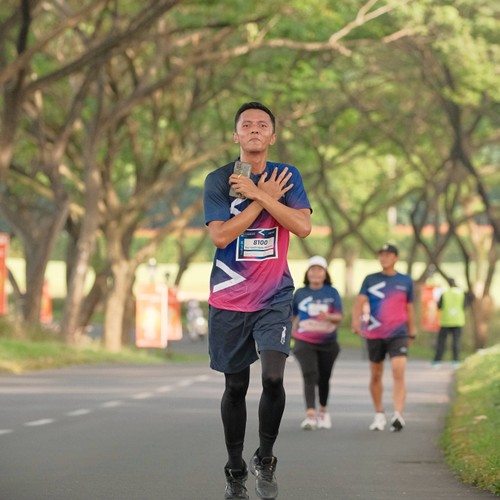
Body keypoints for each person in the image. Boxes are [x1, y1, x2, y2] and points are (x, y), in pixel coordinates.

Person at [203, 101, 312, 500]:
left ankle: (265, 457)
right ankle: (235, 468)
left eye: (262, 125)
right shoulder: (218, 180)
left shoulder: (287, 176)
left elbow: (302, 226)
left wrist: (263, 196)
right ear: (235, 135)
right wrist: (255, 197)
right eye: (246, 125)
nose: (254, 129)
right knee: (236, 387)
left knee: (273, 378)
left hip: (274, 296)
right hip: (229, 299)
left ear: (272, 136)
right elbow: (220, 236)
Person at [351, 243, 415, 433]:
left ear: (396, 258)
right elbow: (359, 303)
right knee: (376, 374)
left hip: (398, 333)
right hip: (375, 332)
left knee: (398, 371)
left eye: (388, 255)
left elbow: (409, 307)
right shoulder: (370, 279)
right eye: (381, 254)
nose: (384, 258)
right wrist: (355, 322)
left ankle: (398, 415)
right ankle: (379, 413)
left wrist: (412, 330)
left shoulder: (405, 280)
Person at [292, 255, 343, 431]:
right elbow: (292, 316)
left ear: (325, 273)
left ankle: (323, 411)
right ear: (307, 273)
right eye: (312, 269)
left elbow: (339, 317)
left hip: (328, 342)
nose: (315, 273)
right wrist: (290, 334)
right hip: (304, 341)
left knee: (323, 377)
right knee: (309, 374)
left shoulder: (332, 292)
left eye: (319, 270)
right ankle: (310, 415)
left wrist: (328, 316)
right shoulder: (300, 293)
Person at [432, 278, 469, 369]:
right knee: (456, 342)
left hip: (446, 321)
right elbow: (464, 306)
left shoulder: (444, 293)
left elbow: (439, 306)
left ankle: (437, 361)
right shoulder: (461, 294)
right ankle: (456, 361)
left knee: (441, 342)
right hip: (458, 321)